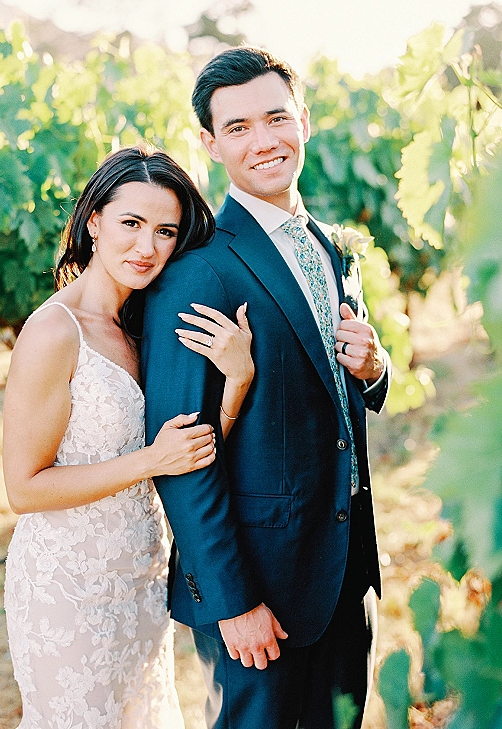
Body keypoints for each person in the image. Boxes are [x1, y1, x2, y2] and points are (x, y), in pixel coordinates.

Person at [141, 47, 391, 728]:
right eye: (239, 127)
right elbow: (182, 458)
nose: (264, 141)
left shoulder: (328, 246)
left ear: (304, 121)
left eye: (276, 118)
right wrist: (231, 601)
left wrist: (374, 369)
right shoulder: (201, 273)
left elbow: (333, 397)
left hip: (344, 569)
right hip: (259, 591)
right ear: (211, 143)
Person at [2, 145, 255, 729]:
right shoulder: (53, 332)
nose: (147, 248)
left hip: (140, 580)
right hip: (67, 589)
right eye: (131, 224)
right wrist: (149, 460)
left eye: (165, 231)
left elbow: (194, 449)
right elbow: (24, 488)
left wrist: (238, 379)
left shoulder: (146, 323)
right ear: (94, 221)